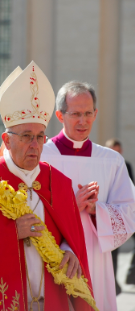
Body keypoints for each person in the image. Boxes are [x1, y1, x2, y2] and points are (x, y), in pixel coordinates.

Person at [0, 62, 95, 311]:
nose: (34, 145)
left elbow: (71, 237)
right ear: (6, 140)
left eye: (40, 136)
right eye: (25, 136)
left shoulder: (60, 184)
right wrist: (10, 233)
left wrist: (69, 250)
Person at [41, 81, 135, 311]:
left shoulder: (111, 161)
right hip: (50, 254)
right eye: (75, 114)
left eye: (88, 113)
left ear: (95, 114)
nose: (83, 121)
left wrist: (97, 210)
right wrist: (68, 206)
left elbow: (129, 212)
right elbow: (25, 206)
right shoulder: (41, 155)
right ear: (60, 115)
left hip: (93, 256)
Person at [105, 138, 135, 290]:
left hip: (120, 212)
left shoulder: (126, 165)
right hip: (105, 211)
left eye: (118, 150)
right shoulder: (103, 163)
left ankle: (125, 277)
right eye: (113, 150)